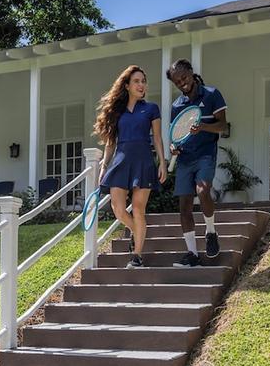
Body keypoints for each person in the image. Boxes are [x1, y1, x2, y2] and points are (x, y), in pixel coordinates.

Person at [94, 65, 167, 268]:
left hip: (143, 160)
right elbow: (110, 142)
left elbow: (158, 139)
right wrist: (104, 166)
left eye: (143, 81)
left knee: (138, 209)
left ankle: (137, 256)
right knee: (117, 208)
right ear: (126, 85)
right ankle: (137, 231)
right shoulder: (117, 112)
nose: (141, 85)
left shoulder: (151, 109)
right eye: (136, 81)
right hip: (121, 160)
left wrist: (162, 162)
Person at [167, 59, 227, 267]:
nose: (181, 83)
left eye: (183, 77)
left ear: (192, 73)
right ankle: (192, 254)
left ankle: (210, 232)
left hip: (205, 154)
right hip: (185, 158)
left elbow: (222, 126)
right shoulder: (177, 106)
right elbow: (177, 136)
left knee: (202, 191)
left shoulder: (211, 94)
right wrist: (174, 148)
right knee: (184, 207)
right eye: (176, 81)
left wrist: (202, 126)